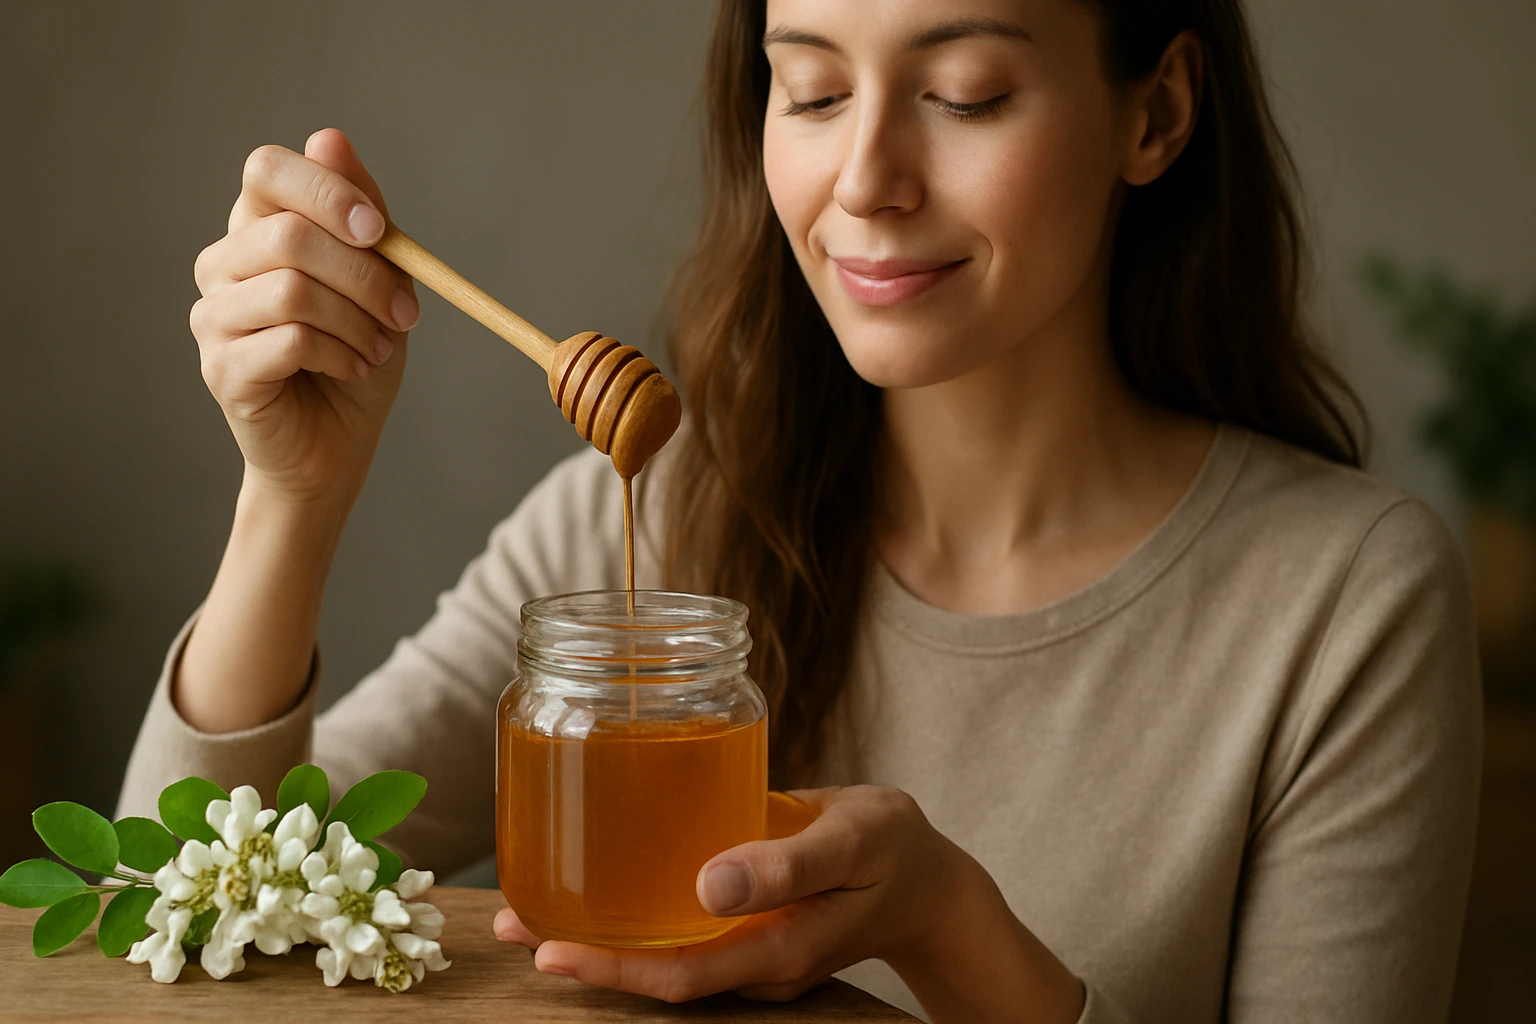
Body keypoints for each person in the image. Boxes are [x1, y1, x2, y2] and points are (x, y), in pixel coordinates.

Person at [115, 1, 1483, 1021]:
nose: (866, 183)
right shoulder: (652, 523)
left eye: (964, 94)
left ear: (1156, 114)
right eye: (813, 92)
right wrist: (290, 499)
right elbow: (169, 903)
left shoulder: (1346, 601)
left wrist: (949, 927)